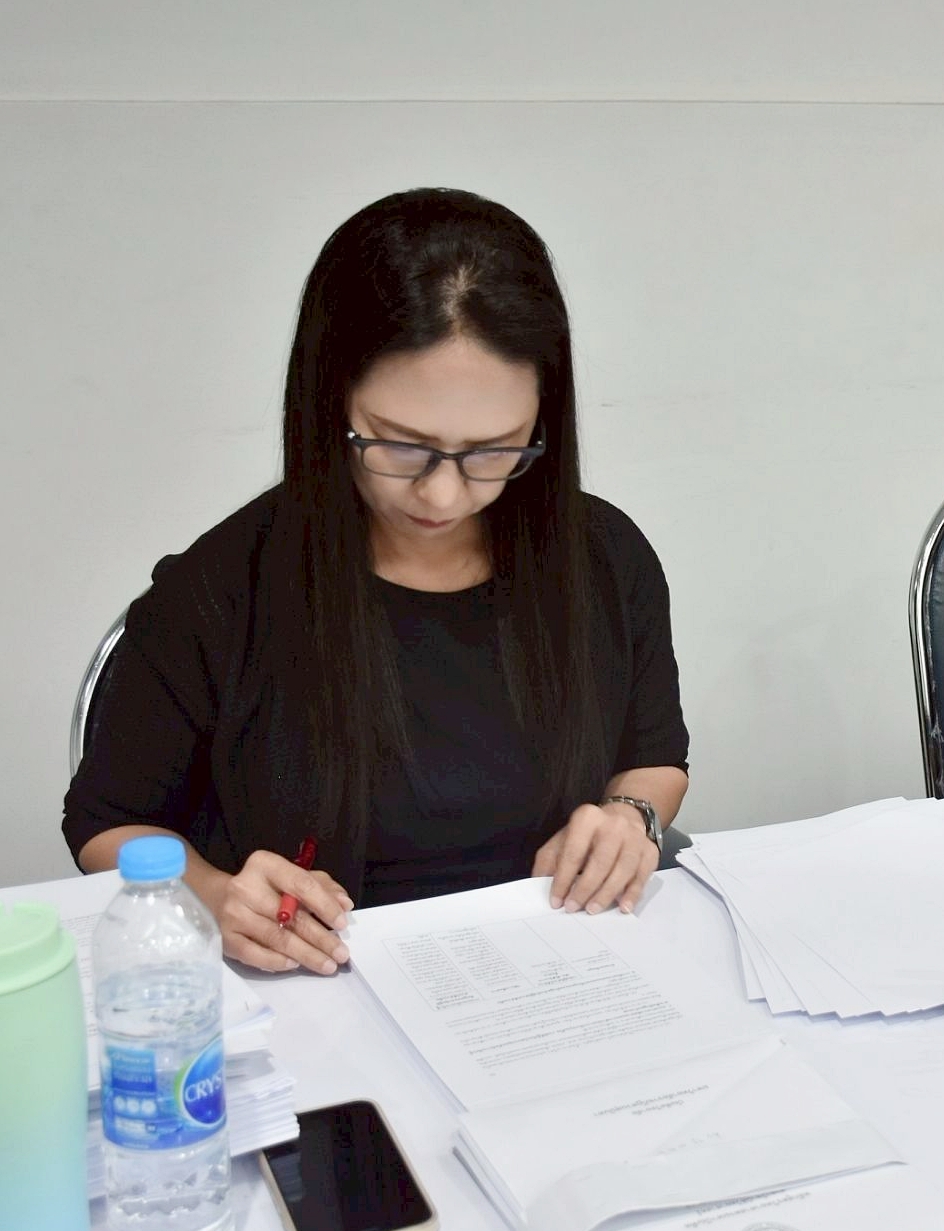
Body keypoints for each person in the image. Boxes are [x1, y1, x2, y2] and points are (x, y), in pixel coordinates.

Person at [63, 188, 689, 977]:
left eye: (493, 450)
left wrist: (631, 816)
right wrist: (215, 896)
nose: (444, 494)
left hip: (556, 972)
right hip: (322, 987)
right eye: (402, 445)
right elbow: (106, 821)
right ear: (331, 400)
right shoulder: (220, 591)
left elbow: (656, 755)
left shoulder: (604, 559)